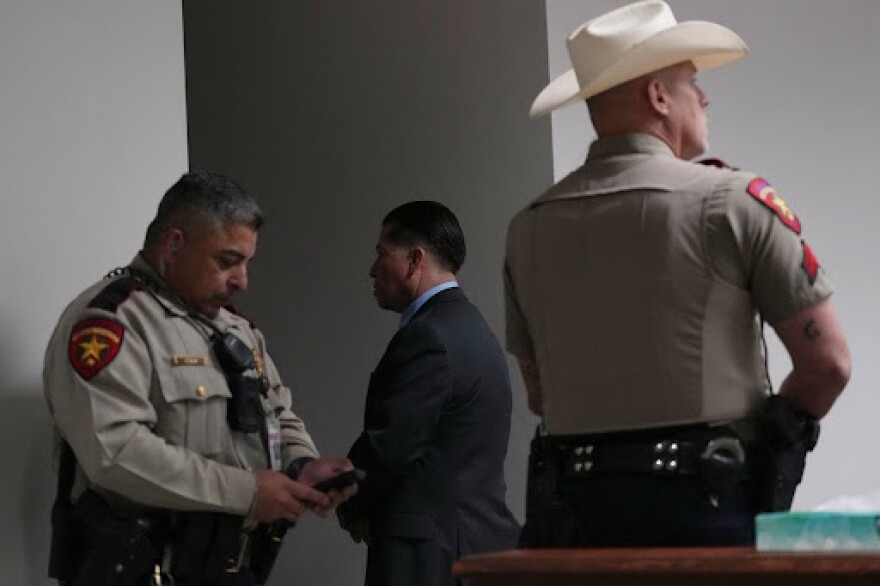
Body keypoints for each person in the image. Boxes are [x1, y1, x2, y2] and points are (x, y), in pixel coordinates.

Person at [504, 0, 851, 547]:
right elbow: (828, 363)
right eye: (691, 80)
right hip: (708, 512)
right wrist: (771, 449)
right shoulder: (733, 202)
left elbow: (540, 394)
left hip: (573, 526)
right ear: (658, 96)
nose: (704, 95)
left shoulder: (527, 229)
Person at [44, 170, 356, 585]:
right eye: (227, 261)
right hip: (145, 573)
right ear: (174, 245)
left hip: (232, 568)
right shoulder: (113, 323)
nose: (242, 280)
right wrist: (247, 492)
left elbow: (277, 413)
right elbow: (115, 453)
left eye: (246, 263)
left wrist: (301, 465)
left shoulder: (236, 330)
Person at [337, 201, 520, 586]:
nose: (372, 270)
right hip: (474, 543)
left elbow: (393, 443)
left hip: (428, 557)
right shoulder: (475, 330)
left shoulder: (429, 336)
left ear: (414, 259)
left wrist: (347, 497)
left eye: (381, 254)